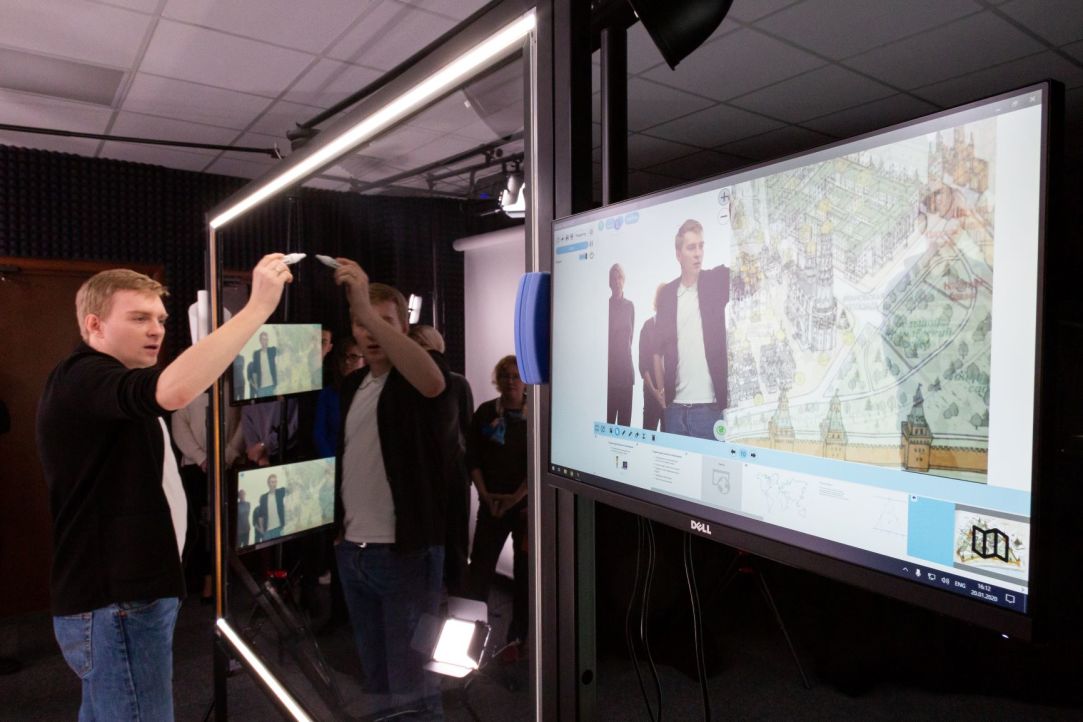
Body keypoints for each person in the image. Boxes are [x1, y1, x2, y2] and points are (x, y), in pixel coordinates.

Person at [36, 255, 290, 721]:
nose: (156, 330)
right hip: (116, 600)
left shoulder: (104, 382)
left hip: (125, 596)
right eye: (139, 319)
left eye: (160, 320)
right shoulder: (83, 375)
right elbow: (174, 391)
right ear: (94, 324)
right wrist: (257, 308)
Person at [332, 259, 451, 717]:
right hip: (354, 552)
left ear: (404, 326)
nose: (369, 331)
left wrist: (364, 305)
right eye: (361, 323)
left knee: (413, 682)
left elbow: (433, 381)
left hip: (405, 553)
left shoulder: (418, 377)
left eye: (383, 321)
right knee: (376, 678)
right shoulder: (353, 385)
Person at [465, 355, 528, 648]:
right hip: (491, 505)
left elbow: (539, 465)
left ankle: (518, 640)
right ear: (498, 380)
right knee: (479, 571)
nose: (511, 381)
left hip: (525, 509)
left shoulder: (537, 414)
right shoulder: (485, 412)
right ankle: (468, 638)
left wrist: (516, 498)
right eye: (505, 376)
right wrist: (485, 495)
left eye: (516, 376)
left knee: (525, 576)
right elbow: (472, 457)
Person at [409, 324, 474, 597]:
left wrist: (468, 474)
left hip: (452, 477)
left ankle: (458, 604)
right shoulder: (404, 384)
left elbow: (468, 431)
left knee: (455, 546)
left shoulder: (457, 383)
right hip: (419, 479)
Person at [655, 218, 731, 439]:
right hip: (674, 410)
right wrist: (661, 391)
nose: (698, 253)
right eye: (691, 247)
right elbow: (657, 348)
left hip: (709, 410)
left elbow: (747, 274)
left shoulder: (716, 280)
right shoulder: (667, 294)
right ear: (678, 255)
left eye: (701, 246)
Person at [171, 391, 244, 601]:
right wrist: (201, 457)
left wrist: (227, 455)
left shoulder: (231, 387)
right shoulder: (189, 388)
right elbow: (179, 426)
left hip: (227, 465)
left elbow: (242, 422)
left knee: (225, 524)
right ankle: (201, 579)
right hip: (195, 467)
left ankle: (221, 579)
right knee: (200, 527)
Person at [607, 263, 635, 425]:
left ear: (623, 281)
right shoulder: (605, 306)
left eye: (620, 278)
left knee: (625, 427)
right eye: (614, 278)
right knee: (609, 424)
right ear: (610, 282)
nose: (617, 281)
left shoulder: (630, 306)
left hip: (626, 374)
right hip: (609, 375)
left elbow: (630, 338)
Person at [639, 284, 667, 431]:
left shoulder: (675, 328)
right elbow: (643, 365)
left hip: (670, 396)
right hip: (651, 393)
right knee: (648, 435)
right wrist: (655, 392)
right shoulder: (648, 326)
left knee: (668, 438)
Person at [254, 474, 289, 540]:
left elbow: (290, 488)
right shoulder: (263, 497)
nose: (274, 484)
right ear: (268, 483)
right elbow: (260, 515)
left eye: (275, 482)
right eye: (272, 482)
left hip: (279, 529)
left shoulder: (280, 492)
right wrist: (262, 529)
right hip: (267, 531)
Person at [247, 330, 278, 397]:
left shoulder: (272, 350)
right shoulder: (256, 354)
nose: (266, 341)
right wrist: (256, 386)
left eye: (267, 339)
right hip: (261, 388)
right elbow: (254, 371)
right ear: (260, 341)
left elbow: (281, 349)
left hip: (271, 386)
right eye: (264, 339)